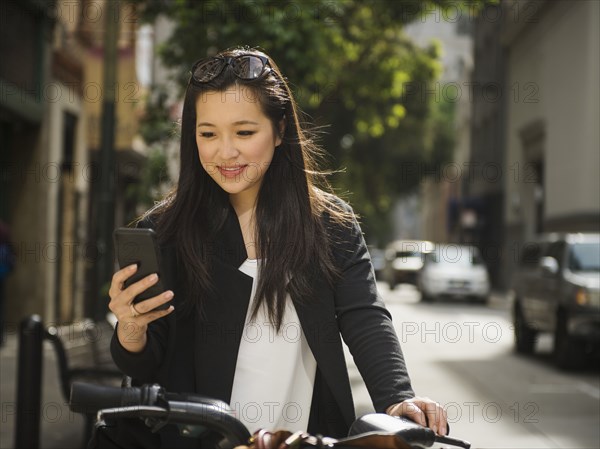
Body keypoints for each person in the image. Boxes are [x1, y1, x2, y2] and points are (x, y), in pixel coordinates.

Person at [108, 47, 447, 448]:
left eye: (245, 132)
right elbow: (144, 362)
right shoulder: (166, 231)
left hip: (304, 436)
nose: (225, 151)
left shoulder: (330, 224)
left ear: (280, 130)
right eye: (208, 133)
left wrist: (398, 399)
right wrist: (130, 326)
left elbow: (365, 317)